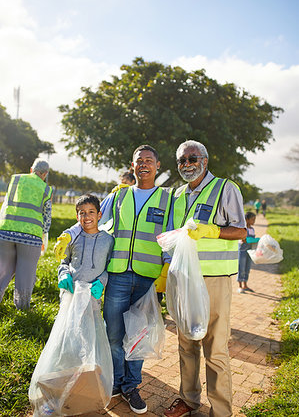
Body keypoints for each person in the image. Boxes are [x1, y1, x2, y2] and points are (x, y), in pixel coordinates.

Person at [54, 145, 173, 414]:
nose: (143, 164)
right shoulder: (118, 196)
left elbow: (171, 236)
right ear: (132, 166)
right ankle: (117, 383)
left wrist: (165, 271)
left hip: (149, 279)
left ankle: (132, 385)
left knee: (138, 337)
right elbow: (88, 219)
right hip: (117, 275)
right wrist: (68, 235)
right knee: (114, 335)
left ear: (157, 165)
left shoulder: (168, 200)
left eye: (149, 161)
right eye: (138, 161)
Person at [163, 140, 246, 417]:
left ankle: (221, 411)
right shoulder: (177, 195)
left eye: (192, 158)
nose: (187, 164)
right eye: (181, 160)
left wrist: (213, 231)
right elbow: (173, 236)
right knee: (186, 342)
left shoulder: (225, 188)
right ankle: (188, 399)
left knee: (215, 346)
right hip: (183, 278)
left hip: (213, 279)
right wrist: (166, 270)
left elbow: (241, 231)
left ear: (205, 160)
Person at [0, 159, 52, 309]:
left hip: (6, 231)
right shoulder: (46, 189)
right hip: (30, 237)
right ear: (45, 174)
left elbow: (6, 204)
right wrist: (44, 235)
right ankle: (22, 308)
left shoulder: (15, 179)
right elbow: (46, 217)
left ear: (31, 169)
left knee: (3, 269)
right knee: (26, 273)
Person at [57, 194, 113, 302]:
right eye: (82, 213)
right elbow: (64, 262)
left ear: (99, 215)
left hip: (92, 296)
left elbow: (109, 268)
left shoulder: (108, 240)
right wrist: (64, 274)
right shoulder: (73, 238)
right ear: (77, 217)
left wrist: (102, 281)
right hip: (71, 293)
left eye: (91, 212)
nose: (87, 217)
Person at [237, 211, 260, 293]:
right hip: (242, 250)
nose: (254, 221)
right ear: (247, 219)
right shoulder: (243, 229)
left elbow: (251, 240)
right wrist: (254, 240)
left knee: (247, 268)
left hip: (250, 250)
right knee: (241, 267)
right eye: (252, 219)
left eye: (255, 219)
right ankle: (240, 286)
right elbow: (245, 240)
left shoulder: (252, 229)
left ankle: (245, 285)